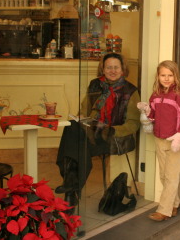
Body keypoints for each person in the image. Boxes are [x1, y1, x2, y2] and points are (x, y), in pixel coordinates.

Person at [56, 53, 140, 211]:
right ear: (103, 68)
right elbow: (84, 108)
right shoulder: (95, 84)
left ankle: (71, 191)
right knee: (72, 126)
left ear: (123, 70)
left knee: (80, 146)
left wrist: (112, 130)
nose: (112, 70)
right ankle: (71, 187)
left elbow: (133, 124)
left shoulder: (130, 91)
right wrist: (82, 117)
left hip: (113, 136)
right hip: (93, 131)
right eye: (109, 67)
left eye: (116, 67)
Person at [137, 60, 180, 221]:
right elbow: (153, 116)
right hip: (159, 139)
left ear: (176, 76)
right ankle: (174, 205)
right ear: (158, 76)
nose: (166, 78)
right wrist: (147, 109)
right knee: (164, 176)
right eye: (163, 75)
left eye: (170, 75)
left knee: (171, 176)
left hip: (175, 141)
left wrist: (179, 136)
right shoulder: (156, 95)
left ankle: (163, 210)